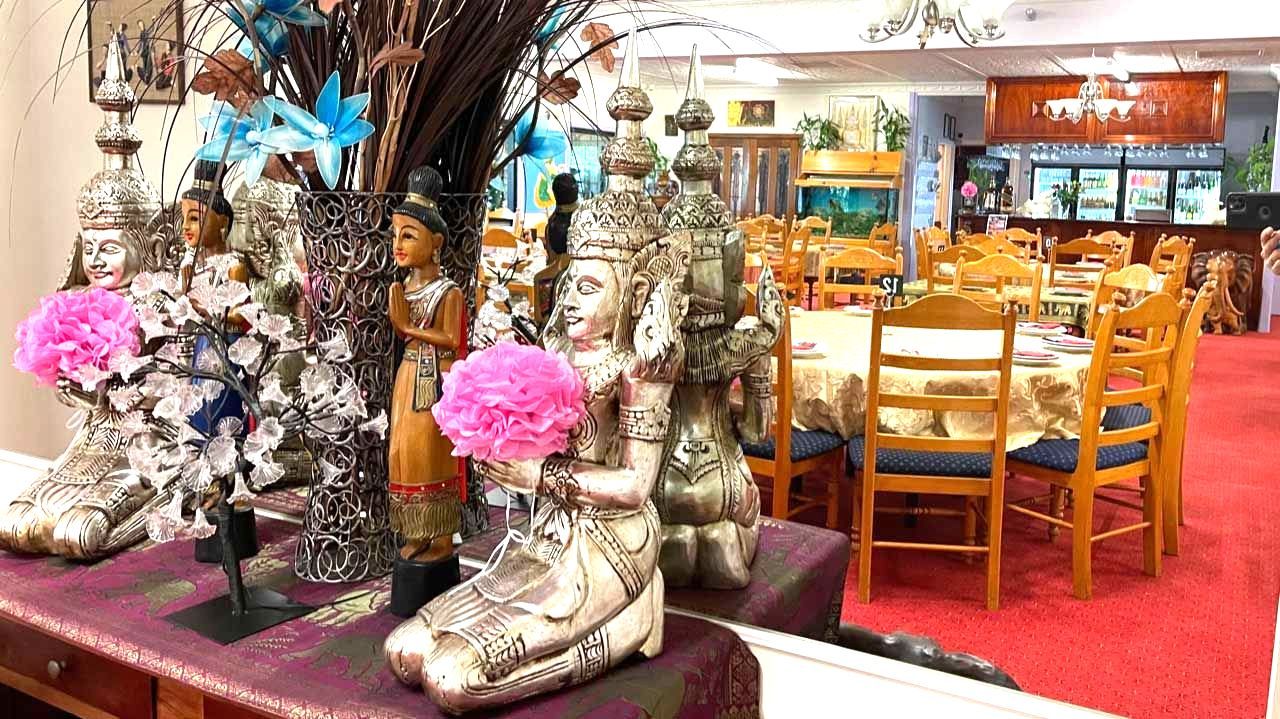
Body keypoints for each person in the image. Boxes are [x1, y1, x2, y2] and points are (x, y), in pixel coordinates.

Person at [386, 166, 466, 617]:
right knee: (402, 454)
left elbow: (452, 339)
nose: (398, 245)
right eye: (396, 234)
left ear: (435, 243)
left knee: (427, 452)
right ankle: (416, 534)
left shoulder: (447, 291)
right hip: (406, 379)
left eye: (409, 236)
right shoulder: (405, 286)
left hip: (432, 381)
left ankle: (438, 537)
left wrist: (405, 327)